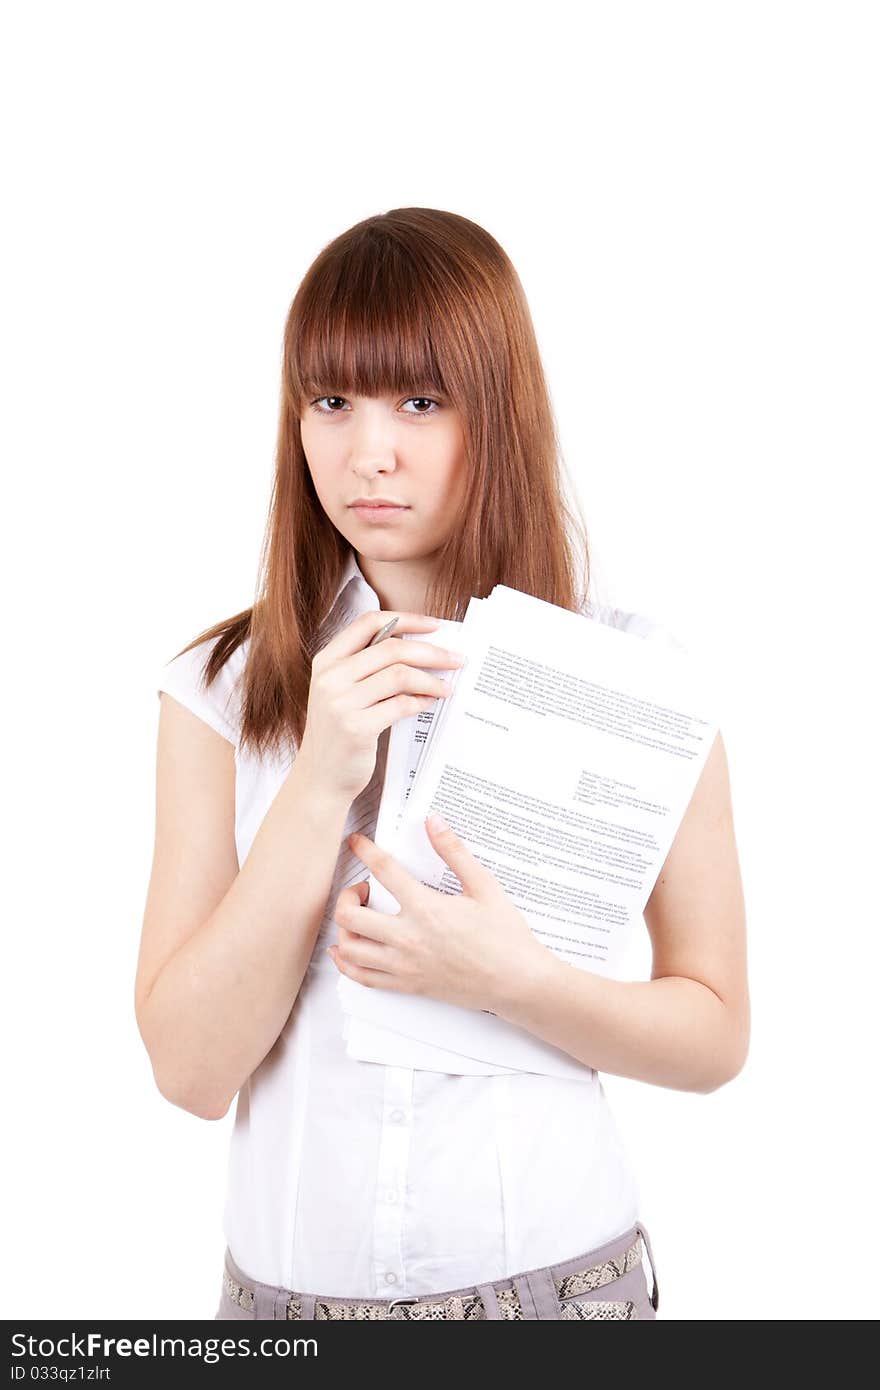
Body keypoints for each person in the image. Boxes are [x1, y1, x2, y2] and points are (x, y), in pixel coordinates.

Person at [135, 207, 749, 1321]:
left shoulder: (631, 673)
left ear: (496, 411)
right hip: (282, 1312)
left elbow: (713, 1036)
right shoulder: (218, 686)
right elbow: (187, 1072)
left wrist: (515, 983)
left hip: (561, 1296)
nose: (370, 451)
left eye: (421, 400)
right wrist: (319, 776)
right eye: (333, 401)